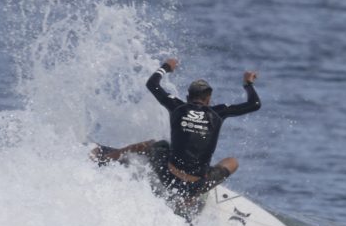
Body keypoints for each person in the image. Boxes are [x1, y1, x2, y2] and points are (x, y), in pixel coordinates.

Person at [91, 58, 261, 213]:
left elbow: (152, 84)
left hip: (168, 176)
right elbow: (254, 104)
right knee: (232, 162)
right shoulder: (219, 112)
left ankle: (107, 157)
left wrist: (166, 67)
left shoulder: (177, 106)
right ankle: (189, 199)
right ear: (209, 100)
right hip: (196, 185)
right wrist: (247, 83)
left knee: (155, 144)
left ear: (188, 98)